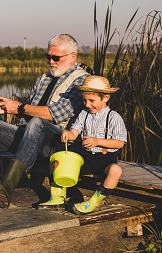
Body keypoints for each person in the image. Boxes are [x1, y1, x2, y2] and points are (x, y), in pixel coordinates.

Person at [0, 34, 89, 208]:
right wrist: (7, 108)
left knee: (37, 122)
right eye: (48, 56)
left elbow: (54, 114)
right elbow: (30, 110)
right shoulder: (45, 78)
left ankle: (6, 187)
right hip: (31, 137)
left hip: (59, 143)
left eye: (56, 57)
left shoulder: (82, 80)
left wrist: (18, 108)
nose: (51, 61)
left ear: (72, 56)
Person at [38, 75, 127, 214]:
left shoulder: (114, 117)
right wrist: (68, 134)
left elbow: (119, 142)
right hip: (85, 158)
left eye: (92, 101)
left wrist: (97, 141)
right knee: (56, 158)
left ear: (105, 98)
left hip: (105, 159)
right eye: (85, 100)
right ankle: (57, 197)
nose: (87, 104)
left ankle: (92, 203)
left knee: (116, 170)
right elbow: (75, 132)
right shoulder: (84, 114)